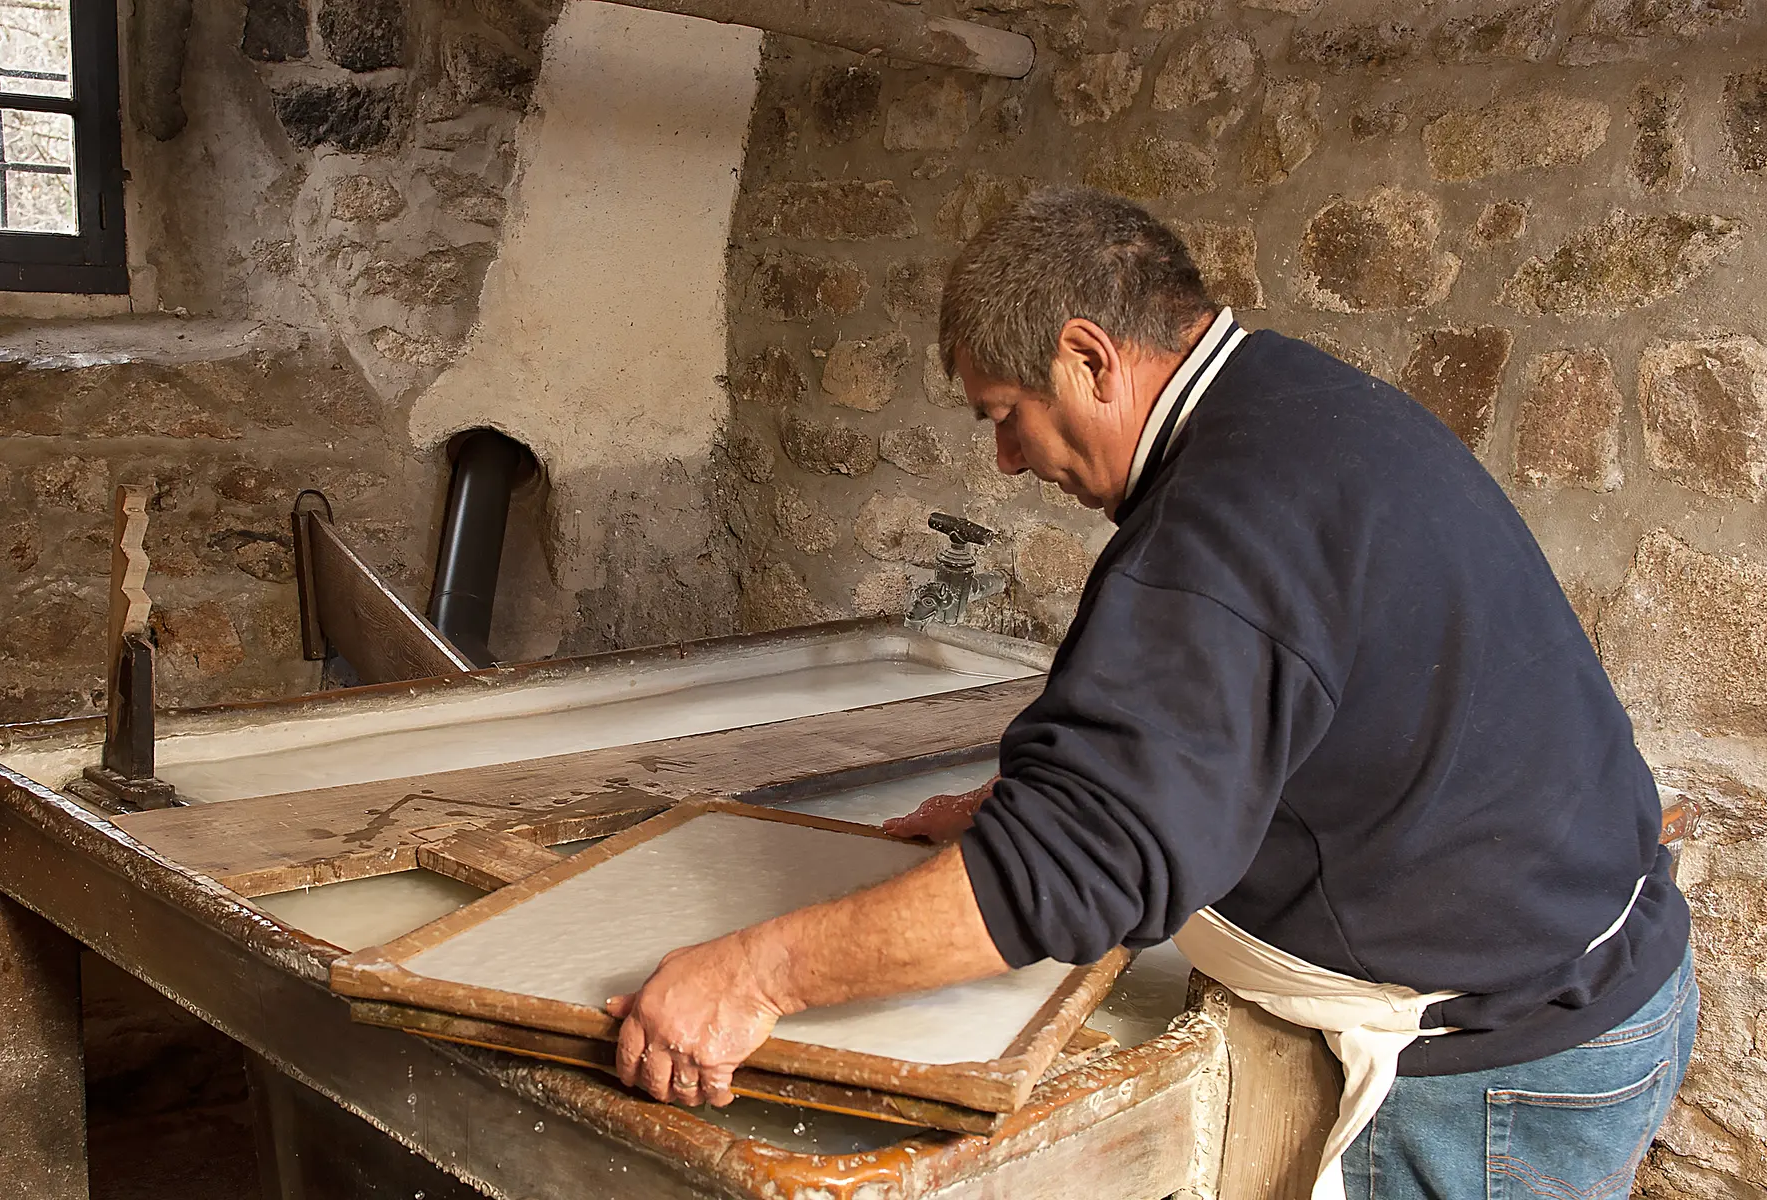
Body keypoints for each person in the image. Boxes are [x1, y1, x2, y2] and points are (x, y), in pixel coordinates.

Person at [603, 187, 1696, 1200]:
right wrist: (1011, 810)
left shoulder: (1220, 524)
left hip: (1499, 1078)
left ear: (1087, 358)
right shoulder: (1297, 405)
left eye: (1003, 412)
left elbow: (1071, 874)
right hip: (1610, 968)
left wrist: (752, 976)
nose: (1003, 460)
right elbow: (1286, 714)